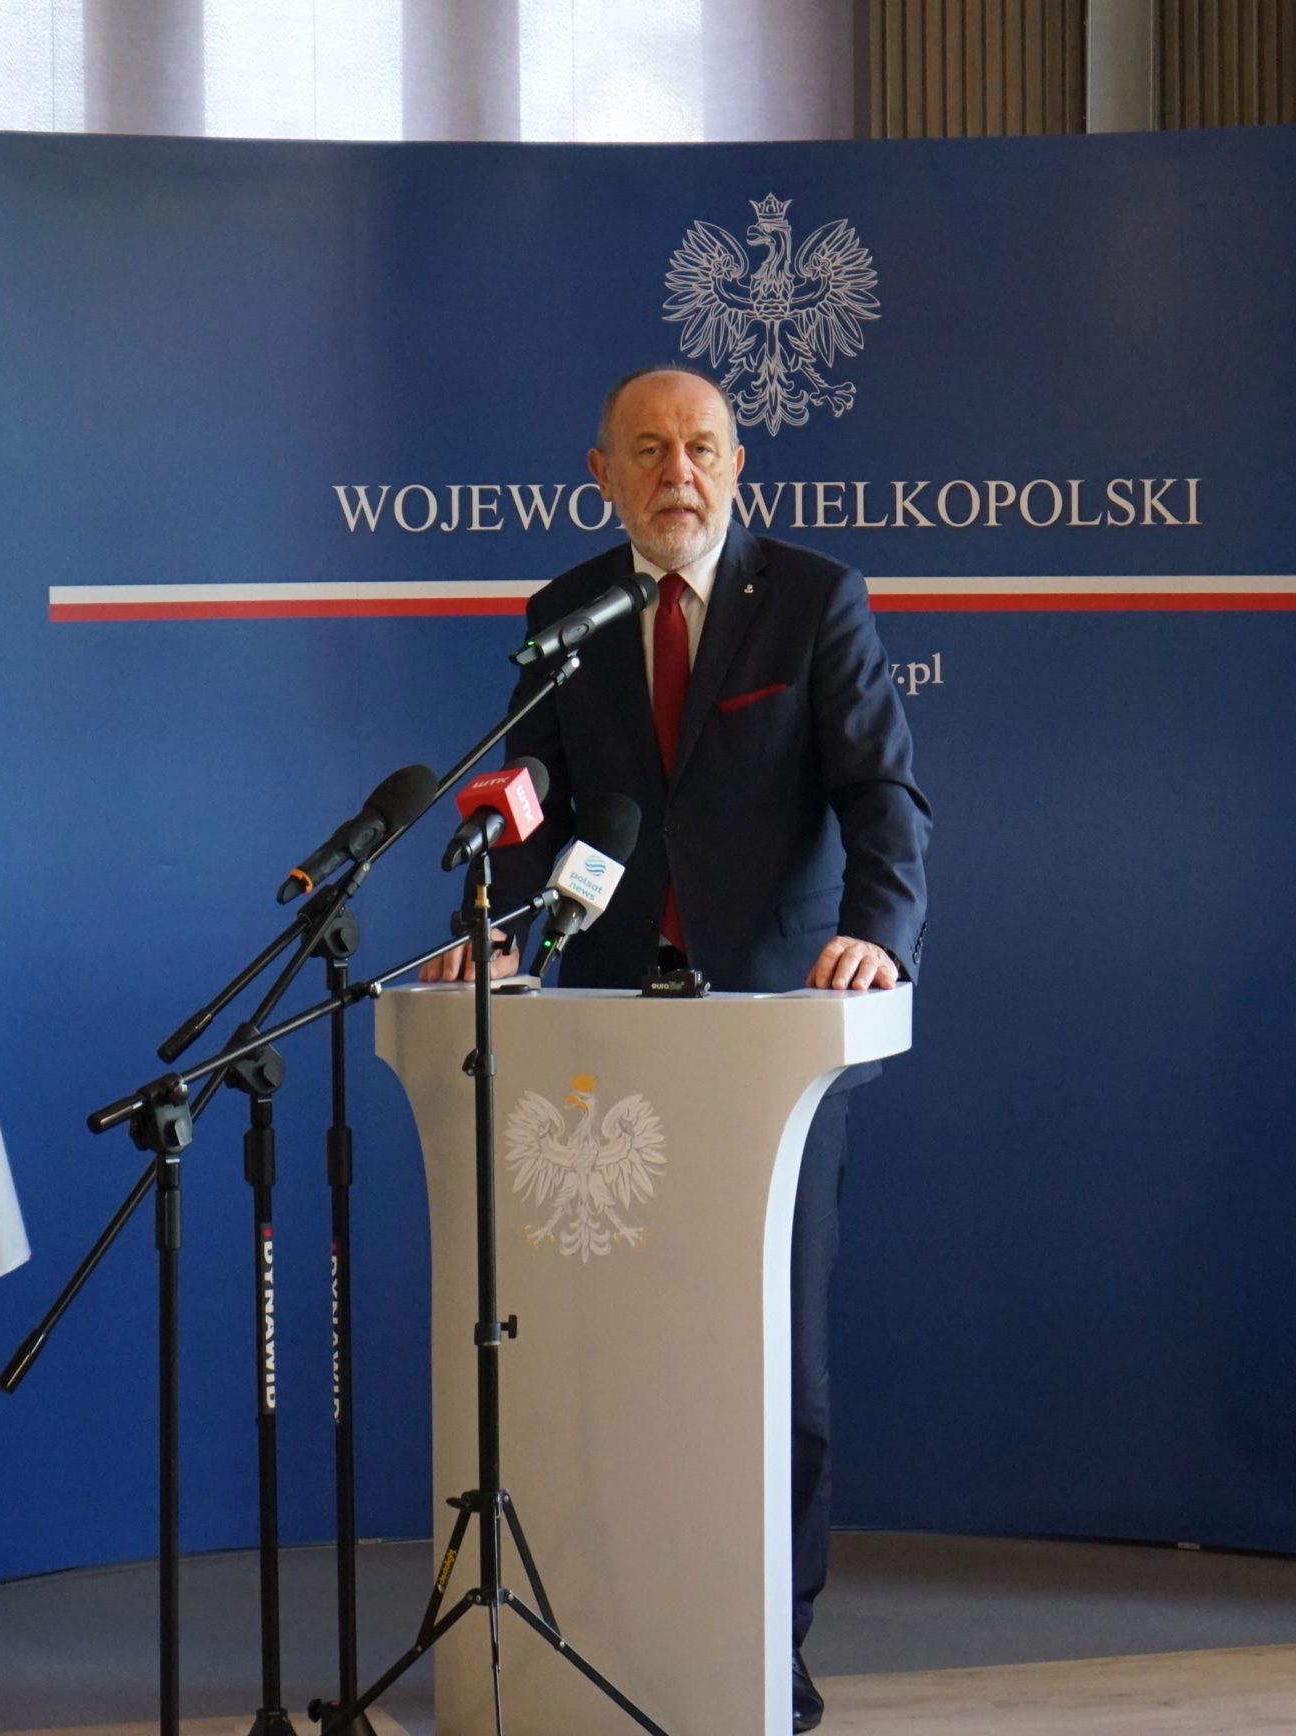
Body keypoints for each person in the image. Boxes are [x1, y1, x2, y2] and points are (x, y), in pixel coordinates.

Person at [422, 363, 928, 1730]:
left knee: (780, 1363)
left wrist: (878, 933)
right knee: (617, 1351)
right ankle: (619, 1623)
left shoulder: (813, 601)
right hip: (605, 1033)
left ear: (738, 463)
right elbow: (534, 800)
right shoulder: (568, 614)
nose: (677, 473)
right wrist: (497, 930)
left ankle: (774, 1643)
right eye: (646, 451)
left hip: (771, 1033)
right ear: (602, 476)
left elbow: (882, 794)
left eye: (701, 446)